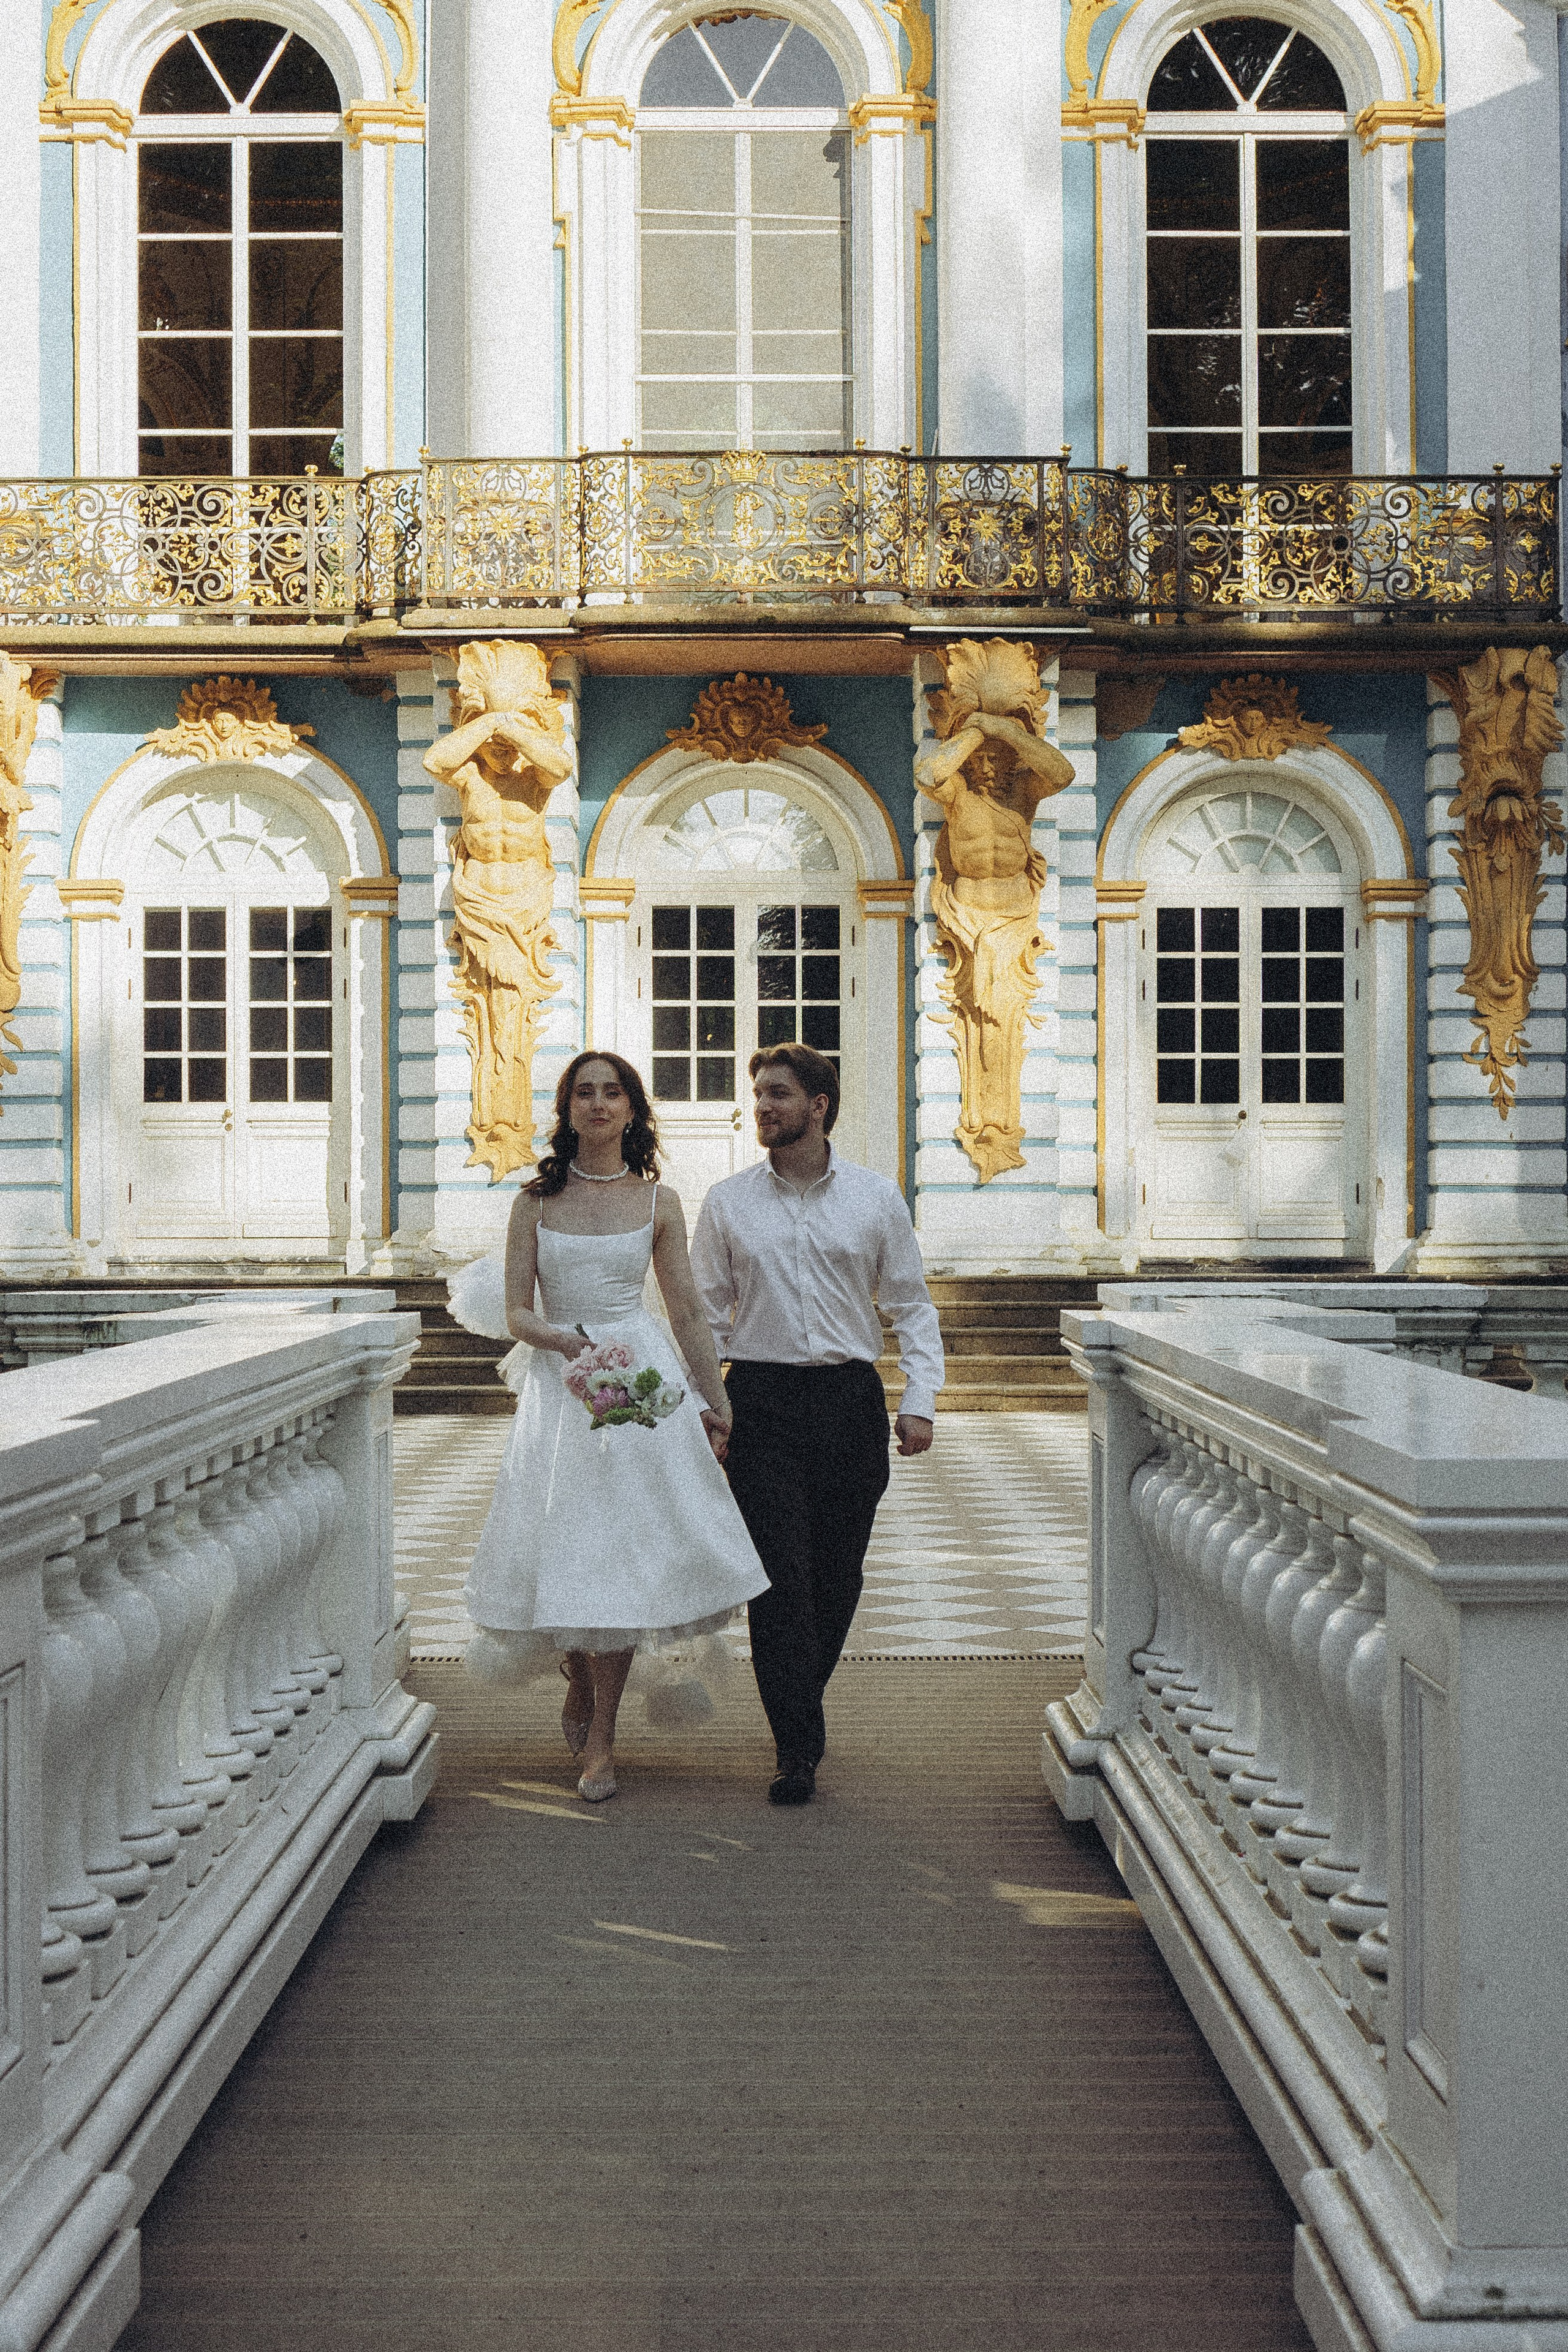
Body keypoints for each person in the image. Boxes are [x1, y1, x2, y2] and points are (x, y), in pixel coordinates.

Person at [452, 1051, 768, 1803]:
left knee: (627, 1544)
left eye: (612, 1092)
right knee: (571, 1540)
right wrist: (563, 1341)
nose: (598, 1104)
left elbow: (687, 1308)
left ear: (632, 1109)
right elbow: (517, 1309)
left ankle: (601, 1739)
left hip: (638, 1378)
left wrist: (711, 1398)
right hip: (564, 1387)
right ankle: (577, 1680)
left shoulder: (659, 1200)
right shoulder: (534, 1200)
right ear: (566, 1110)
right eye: (584, 1093)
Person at [690, 1042, 944, 1807]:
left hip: (848, 1404)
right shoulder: (728, 1202)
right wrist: (709, 1404)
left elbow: (910, 1306)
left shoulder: (874, 1199)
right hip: (760, 1402)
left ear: (818, 1105)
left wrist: (920, 1399)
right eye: (760, 1095)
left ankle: (798, 1704)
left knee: (837, 1577)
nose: (763, 1107)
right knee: (778, 1583)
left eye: (778, 1094)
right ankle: (796, 1746)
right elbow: (700, 1314)